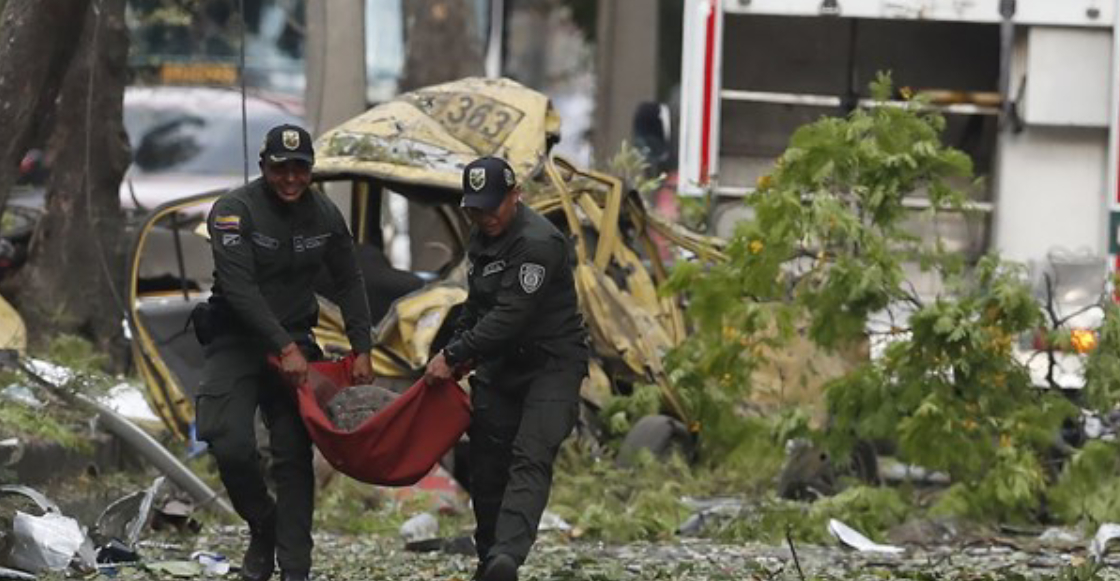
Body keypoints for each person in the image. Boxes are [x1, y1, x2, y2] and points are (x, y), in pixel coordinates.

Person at [195, 124, 374, 581]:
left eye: (300, 168)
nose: (291, 178)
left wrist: (362, 348)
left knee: (294, 455)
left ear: (311, 170)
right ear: (263, 167)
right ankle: (263, 524)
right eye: (281, 168)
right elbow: (238, 287)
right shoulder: (234, 211)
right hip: (238, 341)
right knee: (228, 441)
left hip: (298, 343)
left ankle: (296, 567)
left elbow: (350, 280)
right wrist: (283, 346)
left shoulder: (325, 216)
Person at [424, 156, 589, 581]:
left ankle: (506, 560)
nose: (485, 216)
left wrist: (456, 355)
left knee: (530, 455)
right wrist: (450, 350)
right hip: (500, 368)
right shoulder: (481, 237)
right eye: (475, 209)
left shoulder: (537, 242)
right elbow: (477, 306)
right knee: (488, 464)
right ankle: (489, 559)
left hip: (551, 365)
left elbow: (508, 316)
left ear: (516, 196)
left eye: (493, 206)